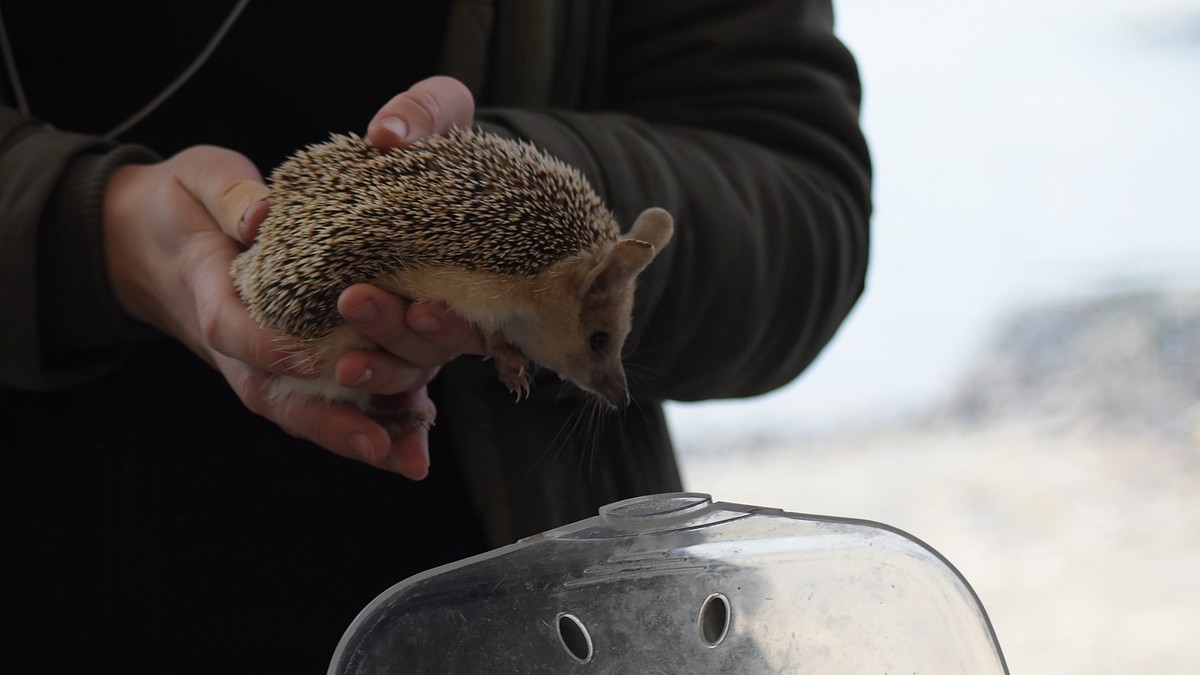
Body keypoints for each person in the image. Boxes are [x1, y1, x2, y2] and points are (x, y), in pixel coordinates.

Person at [0, 0, 871, 671]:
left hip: (499, 615)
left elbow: (803, 203)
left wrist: (505, 177)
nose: (605, 381)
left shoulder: (517, 281)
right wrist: (89, 231)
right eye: (599, 349)